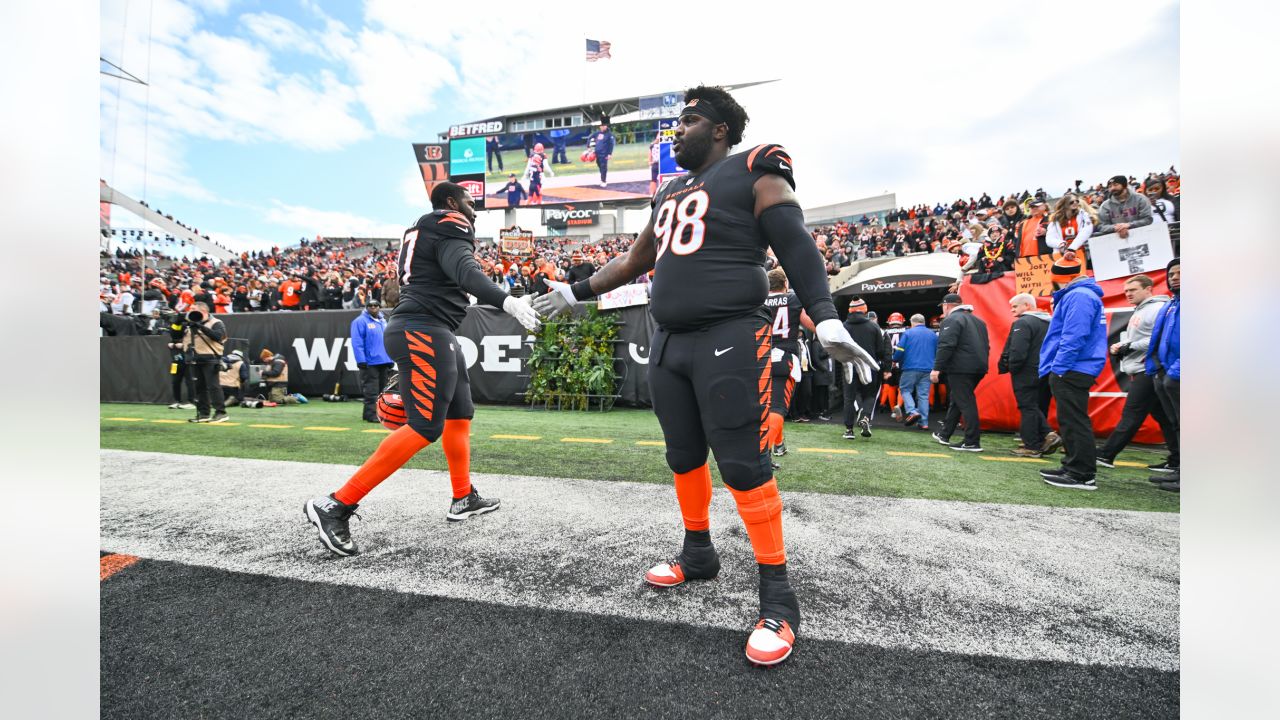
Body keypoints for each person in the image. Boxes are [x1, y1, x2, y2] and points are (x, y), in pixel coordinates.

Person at [531, 86, 879, 666]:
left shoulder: (754, 165)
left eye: (688, 120)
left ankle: (778, 596)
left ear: (719, 129)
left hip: (728, 334)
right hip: (668, 341)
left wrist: (824, 316)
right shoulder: (668, 191)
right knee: (684, 456)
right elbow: (638, 259)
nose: (677, 130)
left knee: (742, 462)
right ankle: (699, 554)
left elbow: (795, 242)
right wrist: (577, 291)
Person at [304, 182, 541, 555]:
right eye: (468, 202)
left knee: (459, 414)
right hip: (423, 329)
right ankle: (336, 504)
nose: (474, 210)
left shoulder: (423, 228)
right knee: (425, 426)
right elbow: (465, 272)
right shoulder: (451, 223)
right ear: (450, 203)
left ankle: (463, 496)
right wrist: (506, 301)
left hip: (432, 328)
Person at [1037, 256, 1107, 489]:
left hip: (1073, 366)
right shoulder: (1082, 295)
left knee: (1074, 420)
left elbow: (1074, 336)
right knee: (1069, 420)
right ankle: (1073, 465)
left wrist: (1059, 367)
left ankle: (1081, 473)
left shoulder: (1079, 296)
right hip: (1074, 365)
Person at [1096, 274, 1177, 470]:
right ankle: (1177, 460)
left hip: (1148, 370)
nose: (1128, 294)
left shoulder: (1157, 309)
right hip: (1146, 369)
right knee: (1165, 418)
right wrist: (1125, 346)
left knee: (1132, 413)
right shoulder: (1144, 309)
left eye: (1133, 290)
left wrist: (1128, 346)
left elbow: (1158, 339)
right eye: (1125, 291)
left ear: (1149, 289)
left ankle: (1107, 454)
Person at [999, 293, 1060, 457]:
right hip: (1046, 370)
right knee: (1039, 406)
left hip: (1026, 371)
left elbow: (1018, 350)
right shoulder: (1049, 322)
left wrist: (1013, 367)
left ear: (1026, 305)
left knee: (1027, 406)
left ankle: (1040, 440)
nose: (1012, 310)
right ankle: (1037, 440)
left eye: (1014, 306)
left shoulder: (1023, 322)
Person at [762, 268, 814, 458]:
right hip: (783, 357)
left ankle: (779, 444)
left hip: (758, 358)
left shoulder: (758, 301)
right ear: (785, 284)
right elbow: (812, 324)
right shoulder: (793, 299)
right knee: (777, 408)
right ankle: (763, 452)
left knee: (765, 407)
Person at [930, 292, 990, 451]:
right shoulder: (979, 321)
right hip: (978, 366)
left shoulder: (951, 319)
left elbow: (946, 345)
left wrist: (937, 368)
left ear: (946, 306)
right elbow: (986, 346)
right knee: (958, 399)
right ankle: (945, 434)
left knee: (965, 402)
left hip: (960, 367)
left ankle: (972, 441)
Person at [1145, 258, 1180, 492]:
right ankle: (1181, 470)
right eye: (1171, 274)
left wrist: (1173, 374)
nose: (1174, 277)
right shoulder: (1171, 305)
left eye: (1179, 273)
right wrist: (1155, 367)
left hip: (1178, 374)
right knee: (1177, 424)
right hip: (1165, 371)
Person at [841, 298, 889, 440]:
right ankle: (866, 417)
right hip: (869, 366)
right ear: (865, 309)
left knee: (849, 399)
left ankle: (849, 430)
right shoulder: (873, 327)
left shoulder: (843, 326)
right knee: (870, 395)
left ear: (850, 310)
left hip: (849, 365)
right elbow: (880, 350)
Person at [182, 302, 229, 423]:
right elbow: (177, 337)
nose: (189, 311)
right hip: (195, 359)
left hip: (211, 358)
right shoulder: (188, 323)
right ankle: (204, 413)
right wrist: (177, 323)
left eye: (193, 309)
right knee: (199, 387)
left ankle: (221, 413)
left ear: (203, 311)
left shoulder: (216, 322)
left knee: (213, 386)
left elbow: (219, 336)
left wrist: (200, 327)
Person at [350, 300, 394, 423]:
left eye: (376, 305)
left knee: (383, 391)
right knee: (371, 391)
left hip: (384, 361)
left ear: (380, 307)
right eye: (370, 305)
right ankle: (371, 414)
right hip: (370, 362)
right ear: (366, 307)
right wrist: (361, 360)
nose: (373, 307)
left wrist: (390, 358)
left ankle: (379, 414)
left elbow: (387, 341)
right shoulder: (360, 321)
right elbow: (357, 342)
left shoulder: (383, 321)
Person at [894, 313, 938, 430]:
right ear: (923, 322)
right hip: (928, 369)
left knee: (905, 389)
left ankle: (912, 411)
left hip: (910, 368)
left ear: (912, 322)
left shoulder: (908, 333)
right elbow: (938, 352)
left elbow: (900, 350)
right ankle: (924, 423)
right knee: (923, 396)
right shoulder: (933, 335)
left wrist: (894, 359)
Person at [1096, 174, 1153, 238]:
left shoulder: (1140, 199)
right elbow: (1101, 226)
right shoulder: (1105, 206)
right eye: (1110, 186)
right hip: (1118, 240)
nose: (1112, 188)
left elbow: (1147, 219)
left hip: (1142, 236)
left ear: (1124, 185)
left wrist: (1129, 225)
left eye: (1115, 185)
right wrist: (1116, 228)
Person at [591, 118, 615, 187]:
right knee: (600, 166)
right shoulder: (597, 133)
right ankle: (602, 179)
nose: (602, 127)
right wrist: (589, 147)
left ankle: (604, 181)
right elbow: (590, 138)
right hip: (597, 154)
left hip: (604, 154)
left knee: (603, 167)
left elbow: (611, 144)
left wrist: (609, 154)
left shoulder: (609, 134)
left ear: (606, 126)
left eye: (603, 126)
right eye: (601, 126)